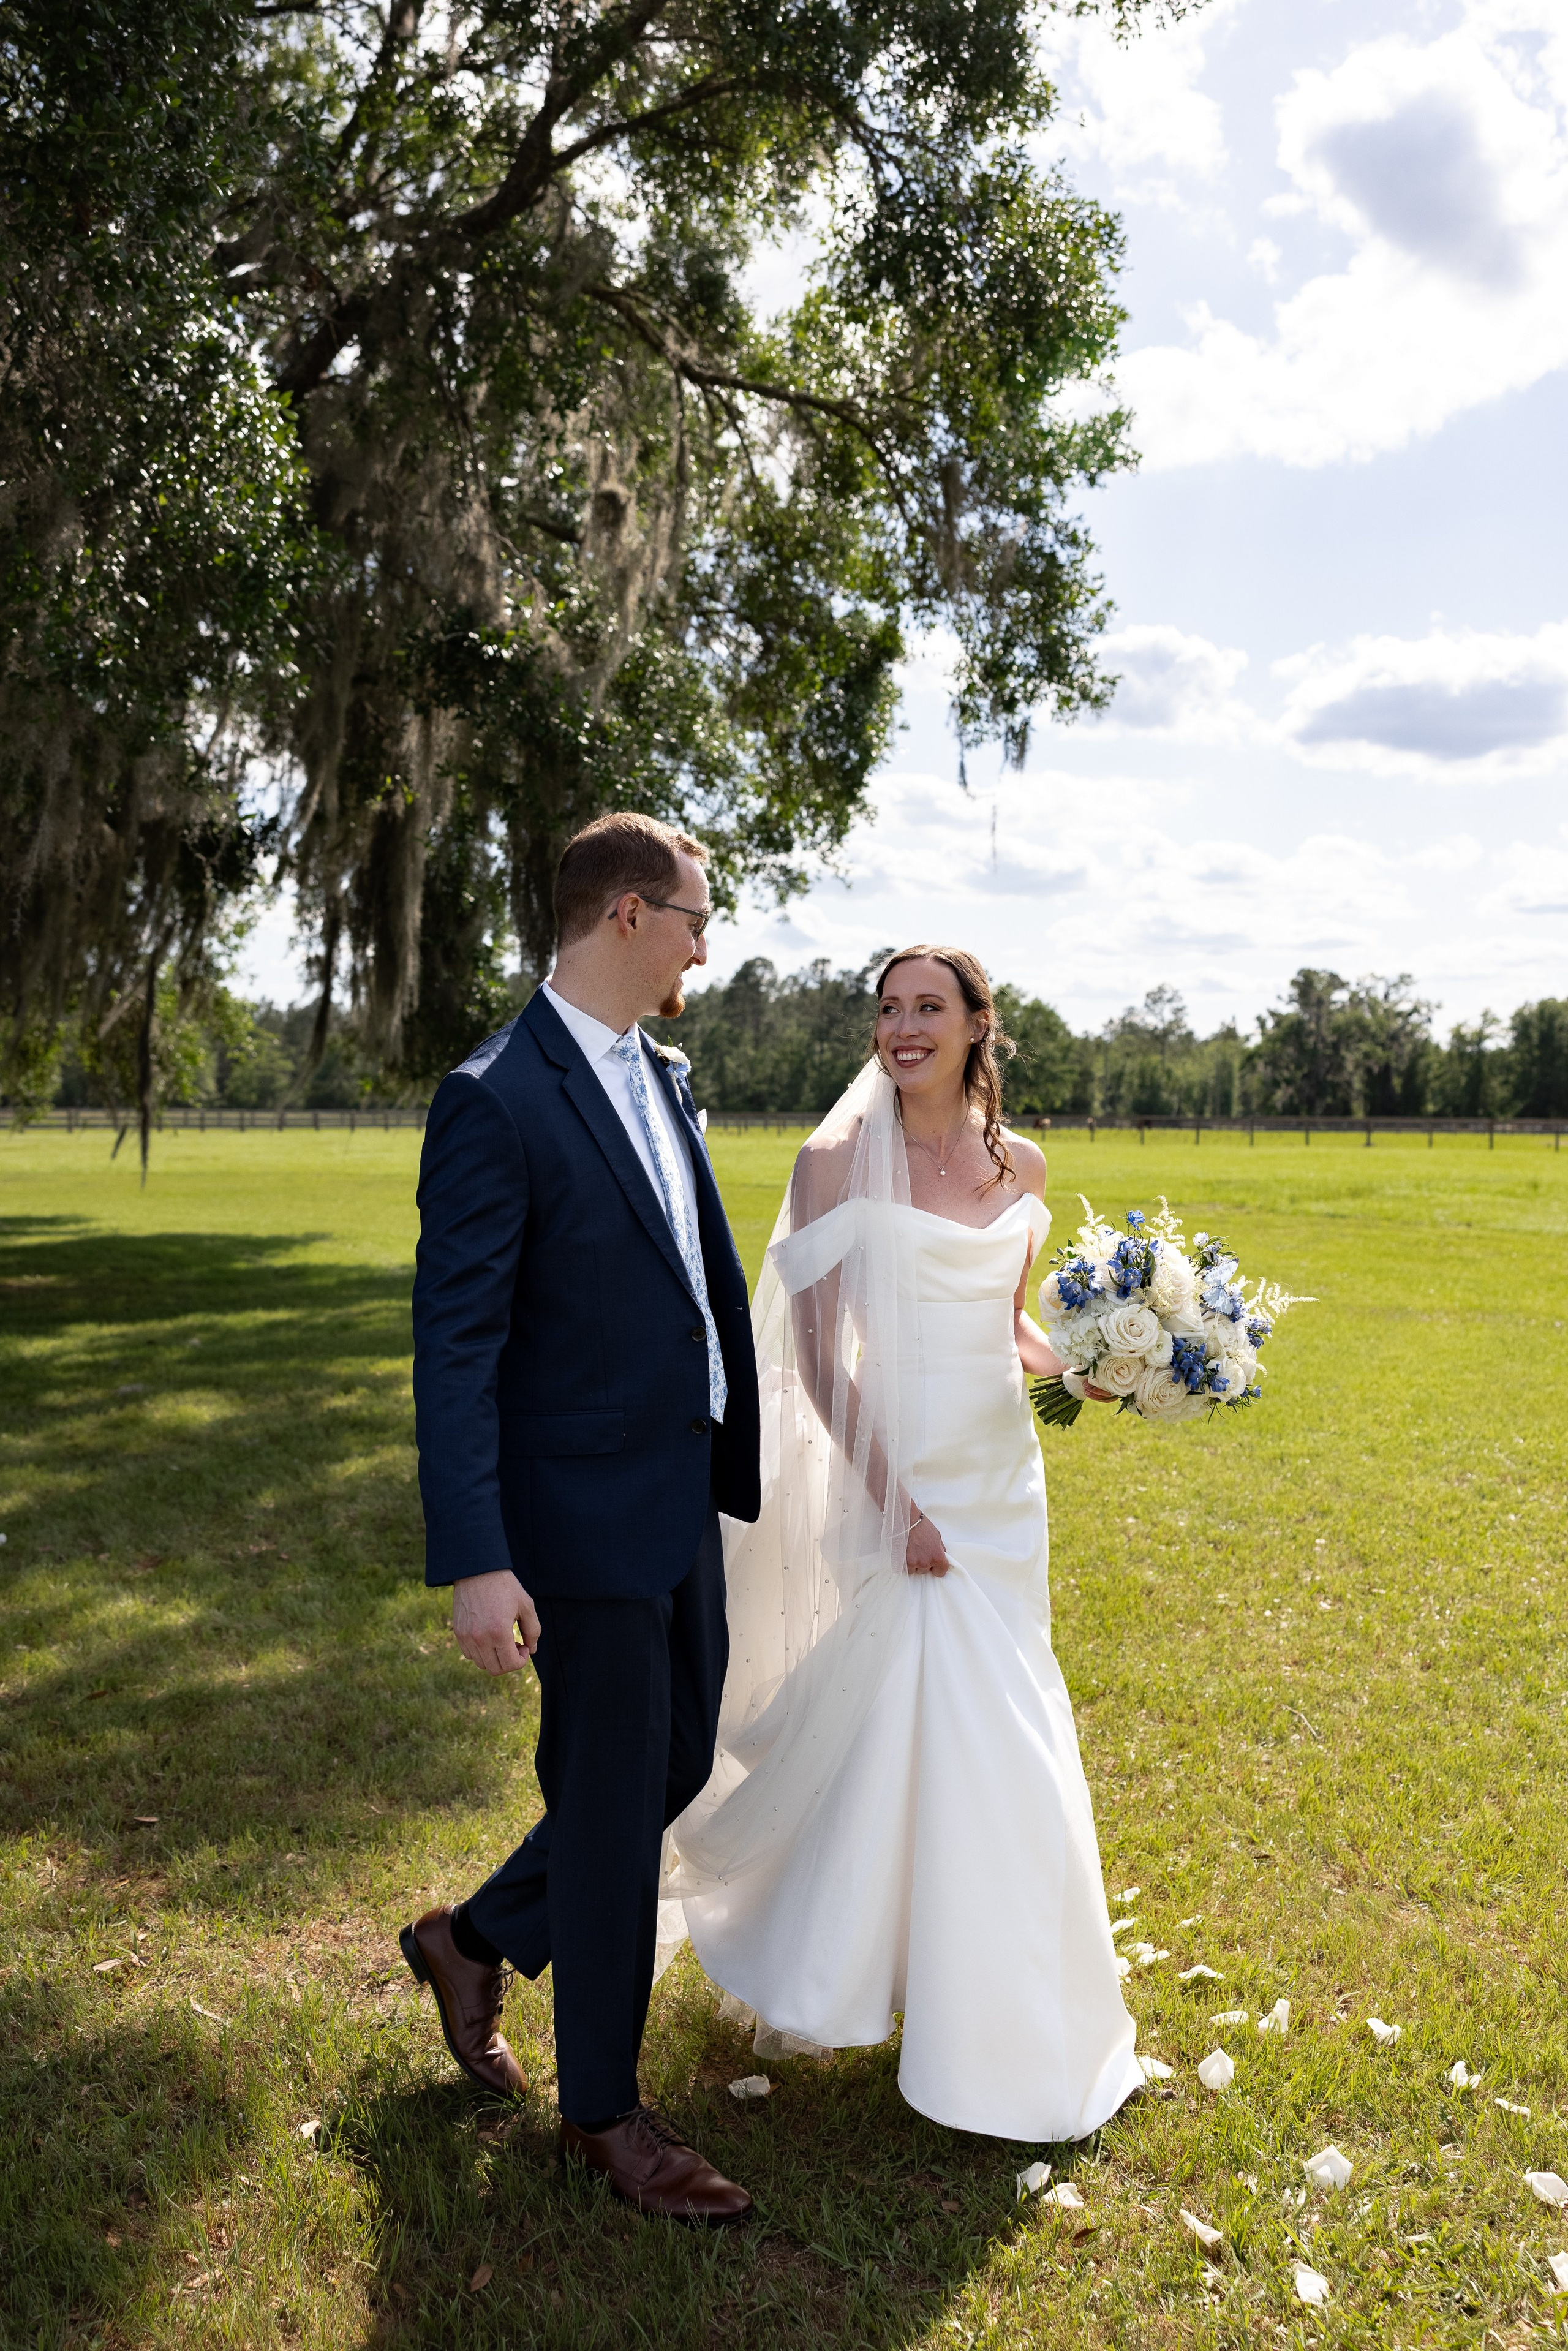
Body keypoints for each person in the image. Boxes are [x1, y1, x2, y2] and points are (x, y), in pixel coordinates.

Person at [668, 946, 1144, 2142]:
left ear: (979, 1024)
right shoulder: (831, 1162)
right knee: (918, 1710)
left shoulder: (1018, 1162)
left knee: (996, 1714)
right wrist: (895, 1503)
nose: (900, 1025)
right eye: (886, 1007)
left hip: (1001, 1481)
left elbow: (1010, 1320)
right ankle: (846, 1967)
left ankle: (989, 1990)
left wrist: (1087, 1365)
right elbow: (823, 1358)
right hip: (902, 1473)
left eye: (926, 1006)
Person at [403, 812, 761, 2222]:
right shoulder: (496, 1094)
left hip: (678, 1491)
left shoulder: (661, 1076)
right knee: (616, 1804)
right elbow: (456, 1341)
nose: (701, 943)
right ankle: (607, 2116)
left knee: (668, 1764)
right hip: (574, 1510)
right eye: (692, 916)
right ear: (623, 914)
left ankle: (470, 1934)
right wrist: (479, 1553)